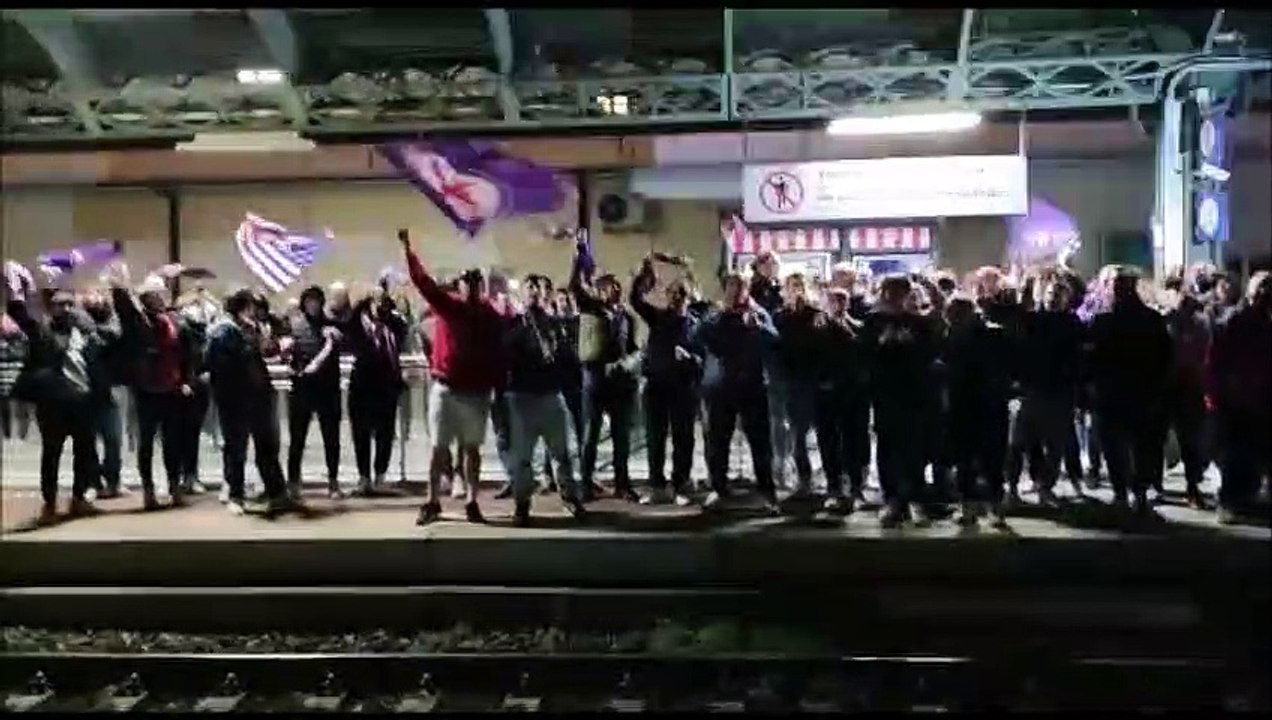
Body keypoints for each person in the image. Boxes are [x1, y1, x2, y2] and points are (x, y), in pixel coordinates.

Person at [402, 230, 508, 525]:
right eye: (468, 281)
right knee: (439, 448)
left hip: (475, 392)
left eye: (477, 282)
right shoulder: (451, 306)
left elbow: (500, 351)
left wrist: (498, 385)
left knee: (471, 449)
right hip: (447, 388)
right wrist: (410, 252)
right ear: (460, 285)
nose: (473, 286)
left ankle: (472, 501)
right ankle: (432, 500)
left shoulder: (491, 315)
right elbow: (424, 284)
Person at [6, 271, 110, 526]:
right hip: (53, 405)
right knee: (51, 454)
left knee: (84, 452)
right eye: (59, 305)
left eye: (69, 304)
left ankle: (78, 498)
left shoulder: (87, 333)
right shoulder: (43, 332)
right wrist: (16, 291)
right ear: (51, 309)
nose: (65, 309)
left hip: (83, 402)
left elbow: (112, 341)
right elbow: (21, 316)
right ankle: (49, 503)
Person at [110, 269, 201, 511]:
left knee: (173, 442)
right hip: (146, 389)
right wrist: (121, 287)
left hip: (172, 389)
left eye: (159, 294)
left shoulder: (177, 322)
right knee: (146, 443)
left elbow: (189, 356)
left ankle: (174, 486)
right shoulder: (139, 322)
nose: (156, 299)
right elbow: (125, 310)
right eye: (151, 295)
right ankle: (148, 489)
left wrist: (187, 382)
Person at [692, 271, 780, 514]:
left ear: (747, 289)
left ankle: (767, 492)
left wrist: (758, 327)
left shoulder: (758, 313)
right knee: (718, 441)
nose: (735, 291)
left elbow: (774, 343)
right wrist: (720, 316)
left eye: (739, 287)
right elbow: (697, 336)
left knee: (760, 443)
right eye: (731, 286)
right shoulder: (715, 314)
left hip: (751, 387)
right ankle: (719, 488)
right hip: (719, 389)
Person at [503, 273, 587, 526]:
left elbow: (567, 357)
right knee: (523, 457)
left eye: (539, 289)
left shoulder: (554, 324)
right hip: (523, 397)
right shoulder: (514, 324)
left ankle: (570, 497)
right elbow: (505, 351)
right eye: (530, 289)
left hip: (551, 395)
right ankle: (522, 504)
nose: (535, 293)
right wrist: (523, 326)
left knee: (562, 453)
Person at [1090, 268, 1173, 517]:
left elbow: (1164, 357)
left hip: (1130, 392)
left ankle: (1130, 493)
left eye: (1120, 285)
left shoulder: (1144, 320)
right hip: (1123, 393)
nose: (1116, 290)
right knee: (1127, 446)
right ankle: (1129, 493)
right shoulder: (1106, 320)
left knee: (1133, 446)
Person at [860, 275, 942, 528]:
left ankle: (913, 498)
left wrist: (930, 285)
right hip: (886, 394)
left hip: (915, 394)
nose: (895, 297)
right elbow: (864, 355)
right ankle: (893, 499)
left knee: (913, 448)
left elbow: (932, 348)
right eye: (891, 292)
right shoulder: (874, 320)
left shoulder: (918, 321)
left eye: (900, 292)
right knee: (887, 447)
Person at [203, 287, 292, 516]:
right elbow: (217, 364)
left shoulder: (250, 328)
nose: (254, 310)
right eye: (251, 305)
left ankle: (277, 492)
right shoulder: (223, 331)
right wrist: (251, 345)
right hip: (235, 397)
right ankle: (236, 495)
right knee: (236, 449)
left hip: (258, 394)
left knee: (266, 447)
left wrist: (266, 342)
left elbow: (264, 352)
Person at [569, 243, 640, 502]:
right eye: (609, 286)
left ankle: (623, 483)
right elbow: (575, 287)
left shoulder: (626, 318)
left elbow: (633, 348)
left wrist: (628, 363)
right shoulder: (592, 309)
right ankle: (585, 483)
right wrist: (579, 259)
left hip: (620, 383)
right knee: (591, 435)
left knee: (622, 437)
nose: (615, 290)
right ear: (599, 290)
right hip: (595, 381)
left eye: (617, 286)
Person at [630, 255, 702, 507]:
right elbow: (635, 301)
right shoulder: (658, 318)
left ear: (688, 297)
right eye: (672, 293)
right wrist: (643, 275)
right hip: (656, 386)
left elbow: (705, 358)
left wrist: (690, 358)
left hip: (683, 388)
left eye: (681, 294)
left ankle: (680, 484)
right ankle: (657, 486)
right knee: (655, 438)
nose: (676, 298)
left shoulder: (696, 325)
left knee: (683, 439)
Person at [1010, 279, 1085, 505]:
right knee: (1020, 442)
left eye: (1058, 294)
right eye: (1051, 292)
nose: (1053, 297)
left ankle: (1044, 486)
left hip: (1058, 391)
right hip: (1032, 389)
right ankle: (1014, 486)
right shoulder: (1032, 320)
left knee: (1054, 444)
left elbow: (1078, 358)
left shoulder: (1071, 323)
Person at [940, 295, 1012, 527]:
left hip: (965, 404)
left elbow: (952, 369)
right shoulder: (995, 333)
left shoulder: (956, 336)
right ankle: (995, 505)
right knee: (991, 458)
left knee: (966, 458)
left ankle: (970, 507)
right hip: (991, 404)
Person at [1207, 271, 1272, 525]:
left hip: (1260, 399)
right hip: (1236, 401)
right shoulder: (1233, 321)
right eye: (1262, 291)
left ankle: (1245, 498)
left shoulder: (1265, 323)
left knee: (1254, 452)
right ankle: (1229, 501)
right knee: (1235, 455)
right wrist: (1216, 395)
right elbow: (1215, 361)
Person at [345, 284, 408, 497]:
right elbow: (350, 334)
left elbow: (402, 328)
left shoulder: (393, 325)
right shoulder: (356, 324)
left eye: (384, 302)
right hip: (362, 386)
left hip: (387, 386)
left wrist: (391, 309)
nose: (381, 306)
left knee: (385, 433)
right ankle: (364, 477)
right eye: (377, 301)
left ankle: (380, 474)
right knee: (361, 433)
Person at [283, 284, 344, 500]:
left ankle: (333, 481)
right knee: (297, 438)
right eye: (309, 301)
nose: (313, 305)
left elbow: (342, 346)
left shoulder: (331, 326)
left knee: (331, 438)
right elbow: (285, 355)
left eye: (316, 301)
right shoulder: (295, 326)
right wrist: (288, 355)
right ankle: (292, 482)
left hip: (327, 389)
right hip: (302, 389)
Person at [771, 272, 828, 498]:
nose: (797, 290)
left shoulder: (816, 315)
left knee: (816, 431)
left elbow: (823, 345)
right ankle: (802, 477)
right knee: (796, 432)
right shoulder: (780, 316)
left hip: (811, 380)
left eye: (800, 285)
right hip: (790, 381)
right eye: (792, 286)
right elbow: (775, 347)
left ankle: (822, 475)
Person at [1159, 279, 1211, 509]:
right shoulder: (1163, 321)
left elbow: (1204, 354)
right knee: (1157, 437)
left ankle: (1192, 485)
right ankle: (1154, 483)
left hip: (1189, 387)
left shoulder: (1200, 324)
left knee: (1191, 441)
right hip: (1166, 386)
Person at [817, 288, 869, 513]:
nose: (837, 305)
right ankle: (834, 487)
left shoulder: (857, 328)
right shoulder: (817, 329)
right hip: (826, 392)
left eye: (841, 301)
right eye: (832, 301)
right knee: (828, 440)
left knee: (853, 440)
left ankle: (855, 487)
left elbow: (862, 356)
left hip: (852, 392)